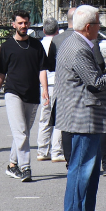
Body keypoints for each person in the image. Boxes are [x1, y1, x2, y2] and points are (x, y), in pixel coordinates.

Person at [54, 5, 106, 211]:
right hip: (82, 116)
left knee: (91, 169)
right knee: (81, 167)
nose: (100, 27)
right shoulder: (78, 48)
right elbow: (96, 82)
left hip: (85, 115)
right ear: (88, 27)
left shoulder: (76, 43)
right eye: (98, 24)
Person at [0, 10, 50, 183]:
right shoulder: (7, 46)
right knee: (21, 132)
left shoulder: (36, 45)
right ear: (14, 24)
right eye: (20, 23)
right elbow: (1, 73)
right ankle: (25, 168)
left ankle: (12, 165)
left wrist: (45, 89)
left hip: (32, 94)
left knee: (22, 133)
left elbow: (42, 69)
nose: (24, 26)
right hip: (13, 93)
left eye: (26, 22)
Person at [35, 18, 65, 163]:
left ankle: (42, 150)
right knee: (59, 118)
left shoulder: (40, 44)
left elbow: (41, 68)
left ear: (44, 31)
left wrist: (44, 88)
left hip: (44, 84)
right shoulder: (61, 42)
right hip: (58, 84)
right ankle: (57, 151)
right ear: (57, 30)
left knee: (45, 118)